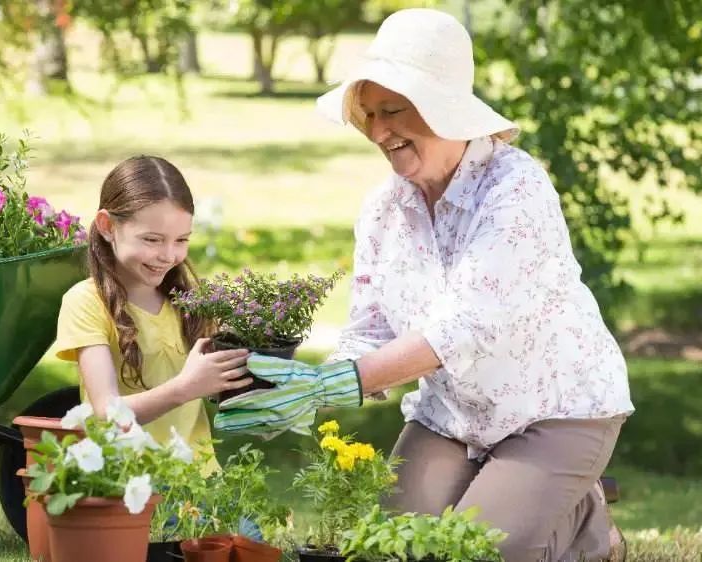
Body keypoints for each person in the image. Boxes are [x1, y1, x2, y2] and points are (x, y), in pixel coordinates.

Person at [214, 9, 634, 562]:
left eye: (394, 111)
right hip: (453, 415)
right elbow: (370, 329)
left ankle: (585, 525)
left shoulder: (516, 190)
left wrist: (335, 385)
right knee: (389, 550)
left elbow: (461, 331)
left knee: (472, 553)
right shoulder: (383, 209)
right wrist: (304, 388)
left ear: (445, 109)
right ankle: (531, 501)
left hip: (554, 409)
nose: (380, 132)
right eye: (370, 115)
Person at [54, 155, 251, 470]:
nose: (169, 255)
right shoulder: (87, 302)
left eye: (181, 240)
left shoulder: (190, 302)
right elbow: (106, 414)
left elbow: (221, 385)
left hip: (201, 486)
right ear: (107, 226)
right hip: (131, 487)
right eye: (152, 240)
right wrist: (185, 388)